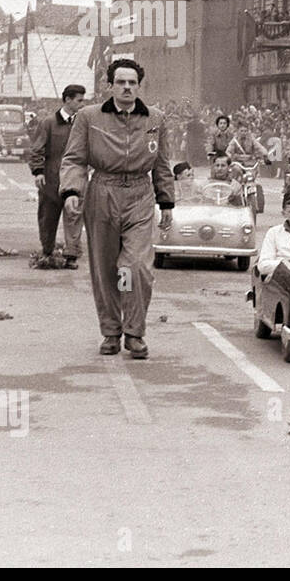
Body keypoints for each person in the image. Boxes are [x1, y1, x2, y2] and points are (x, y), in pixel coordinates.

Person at [60, 58, 175, 359]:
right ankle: (111, 332)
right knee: (106, 269)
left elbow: (162, 164)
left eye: (132, 82)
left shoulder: (156, 119)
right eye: (121, 82)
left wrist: (167, 202)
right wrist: (72, 190)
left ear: (139, 86)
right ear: (109, 86)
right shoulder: (88, 117)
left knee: (135, 267)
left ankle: (134, 332)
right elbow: (73, 159)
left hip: (140, 195)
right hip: (102, 193)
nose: (127, 87)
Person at [29, 84, 88, 268]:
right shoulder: (48, 123)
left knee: (74, 216)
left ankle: (71, 255)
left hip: (76, 179)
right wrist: (38, 172)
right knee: (48, 216)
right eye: (79, 100)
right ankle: (47, 250)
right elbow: (37, 149)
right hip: (51, 179)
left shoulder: (83, 123)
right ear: (68, 100)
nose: (82, 104)